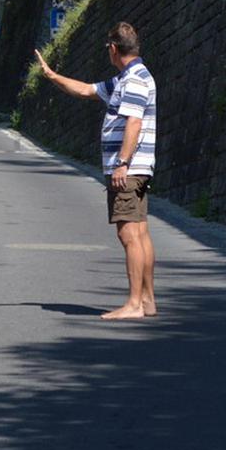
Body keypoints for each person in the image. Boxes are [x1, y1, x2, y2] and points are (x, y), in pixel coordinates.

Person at [35, 21, 158, 320]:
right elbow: (87, 91)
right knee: (140, 232)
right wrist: (52, 76)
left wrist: (122, 163)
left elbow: (134, 122)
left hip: (129, 168)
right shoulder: (127, 78)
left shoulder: (134, 81)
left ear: (114, 49)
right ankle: (147, 301)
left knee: (128, 234)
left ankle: (133, 305)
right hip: (136, 167)